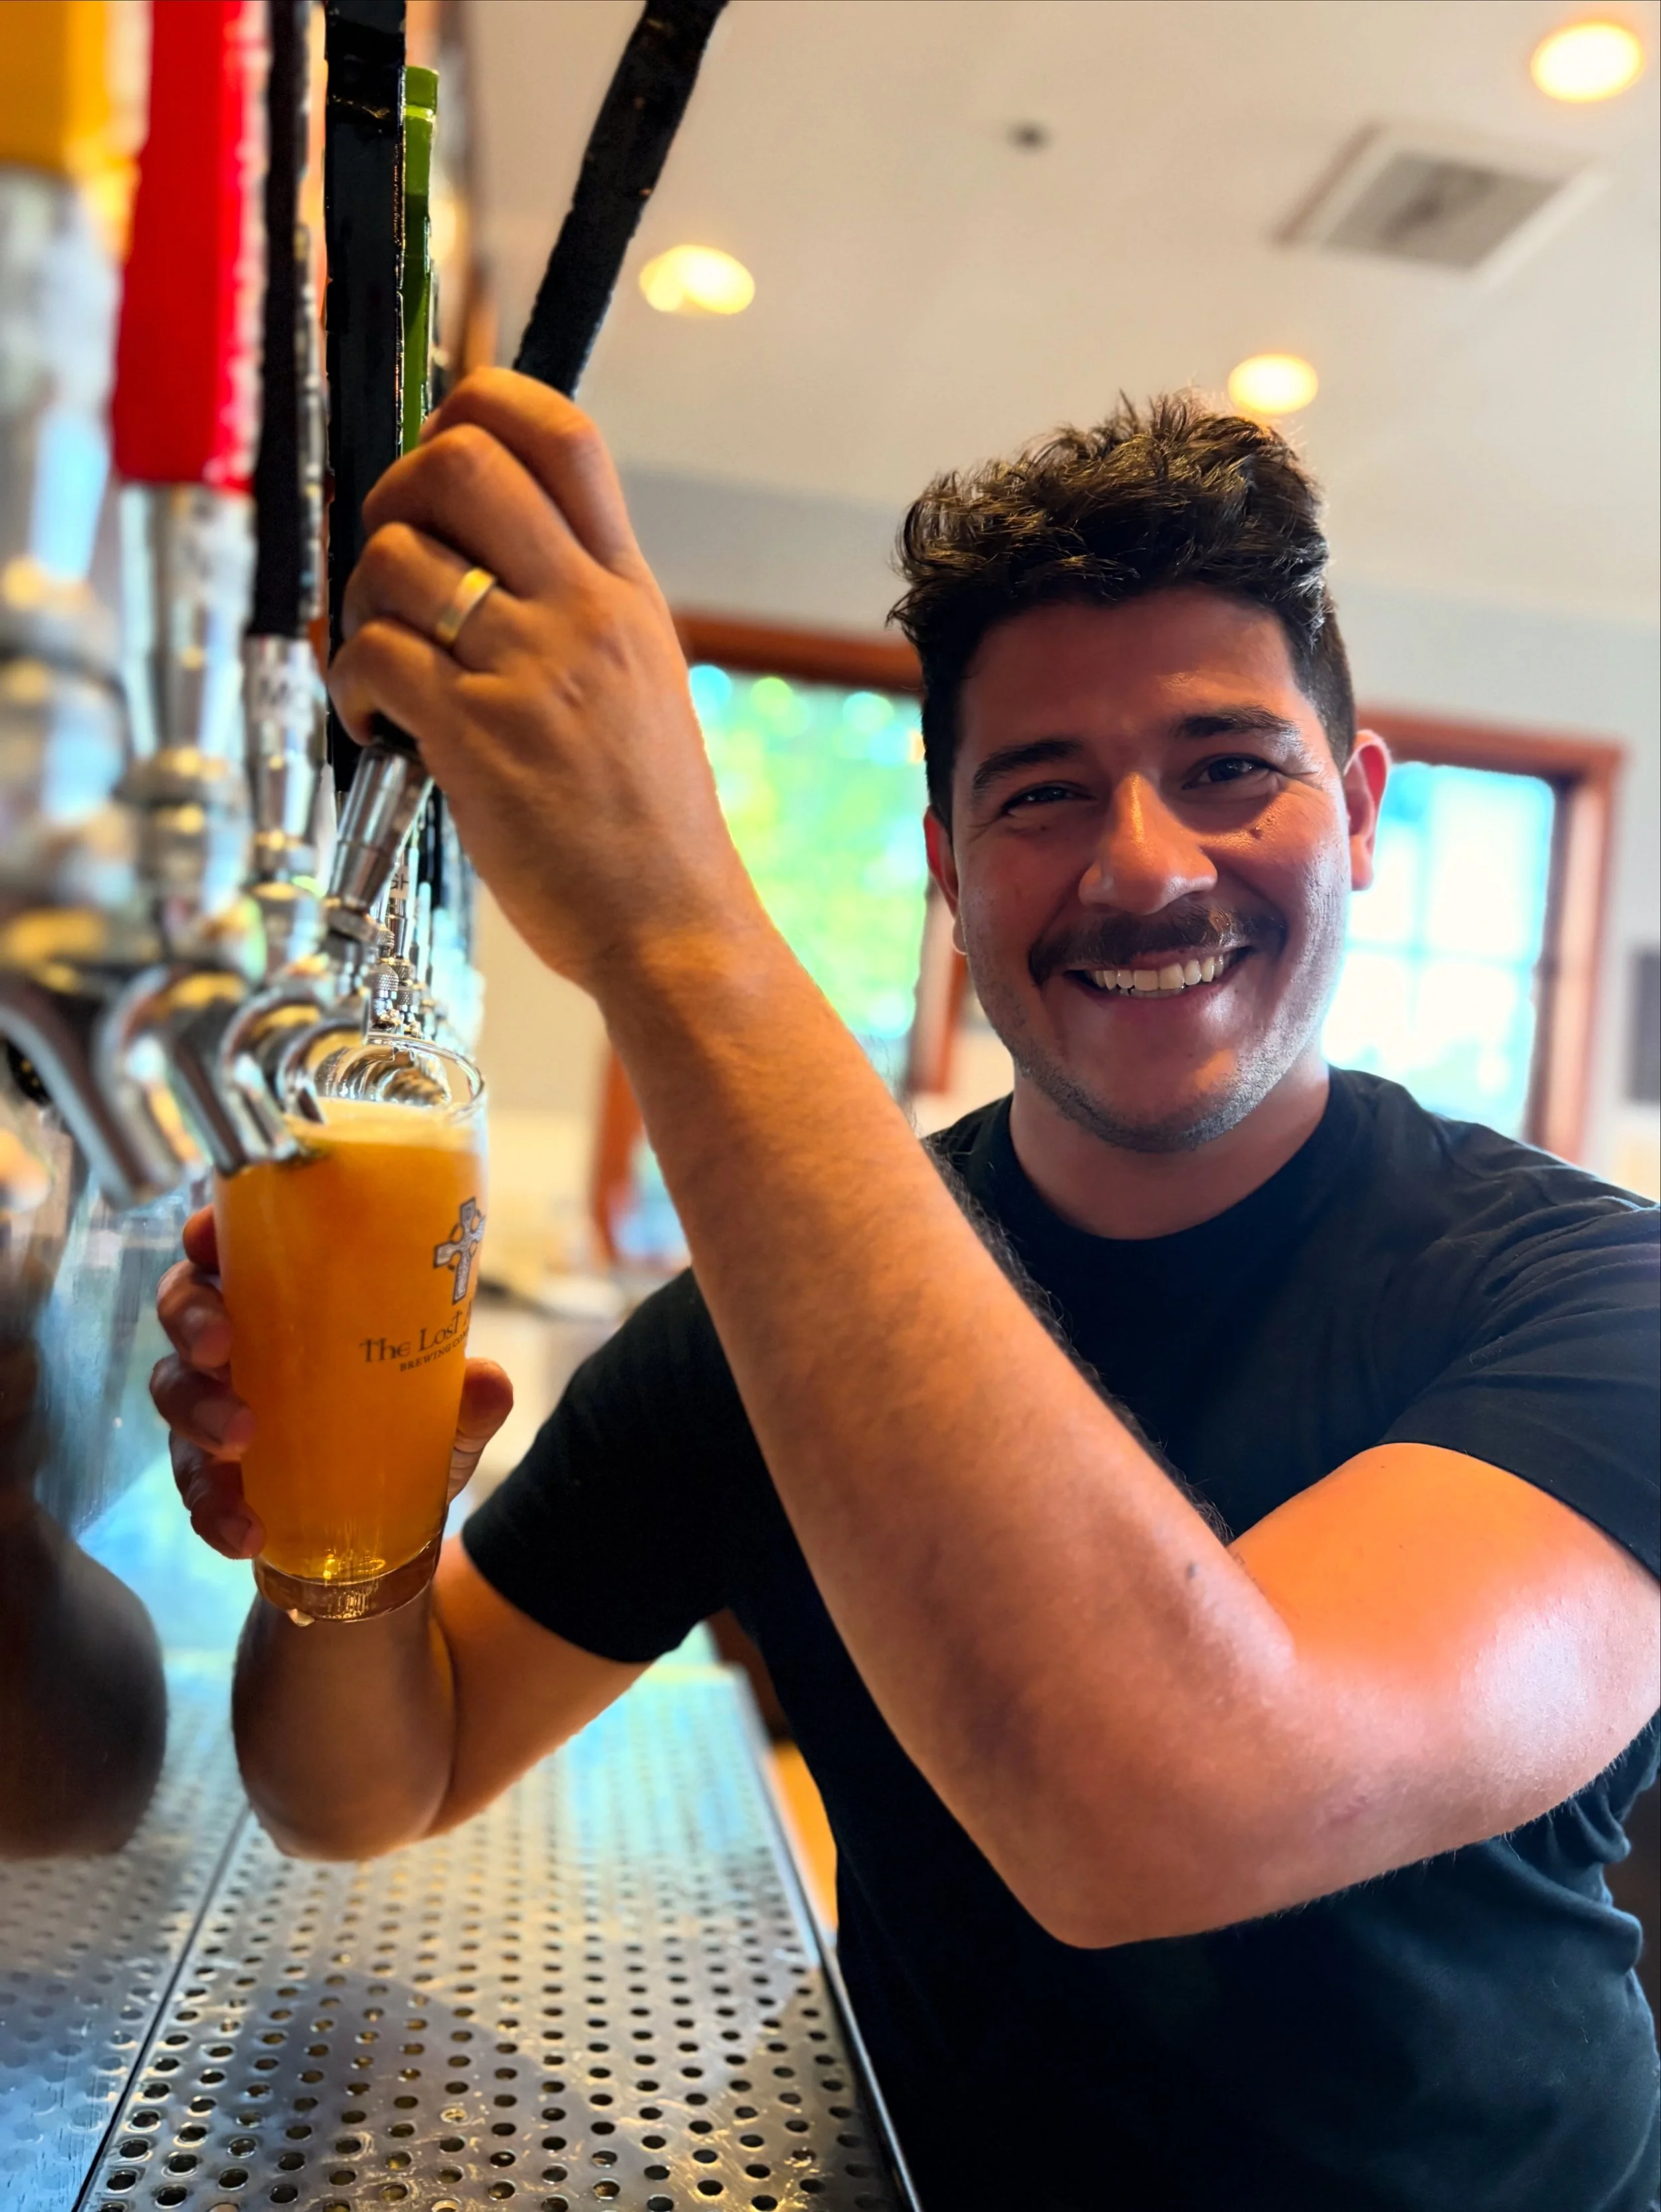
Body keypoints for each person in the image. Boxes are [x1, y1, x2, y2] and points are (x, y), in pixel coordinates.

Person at [151, 377, 1660, 2212]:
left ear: (1353, 812)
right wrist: (345, 1545)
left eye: (1226, 767)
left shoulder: (1590, 1304)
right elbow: (372, 1781)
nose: (1141, 866)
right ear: (946, 873)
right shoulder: (789, 1317)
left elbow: (1163, 1805)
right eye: (1038, 794)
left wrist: (674, 916)